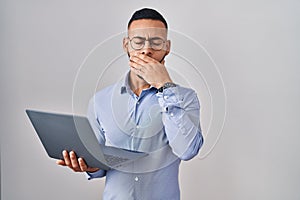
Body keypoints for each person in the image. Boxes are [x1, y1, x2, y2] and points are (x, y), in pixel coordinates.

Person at [56, 8, 204, 200]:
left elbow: (187, 150)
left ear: (167, 47)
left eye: (156, 42)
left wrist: (164, 86)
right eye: (138, 41)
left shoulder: (186, 98)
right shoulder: (100, 101)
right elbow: (99, 164)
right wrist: (89, 167)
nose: (146, 50)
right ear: (126, 45)